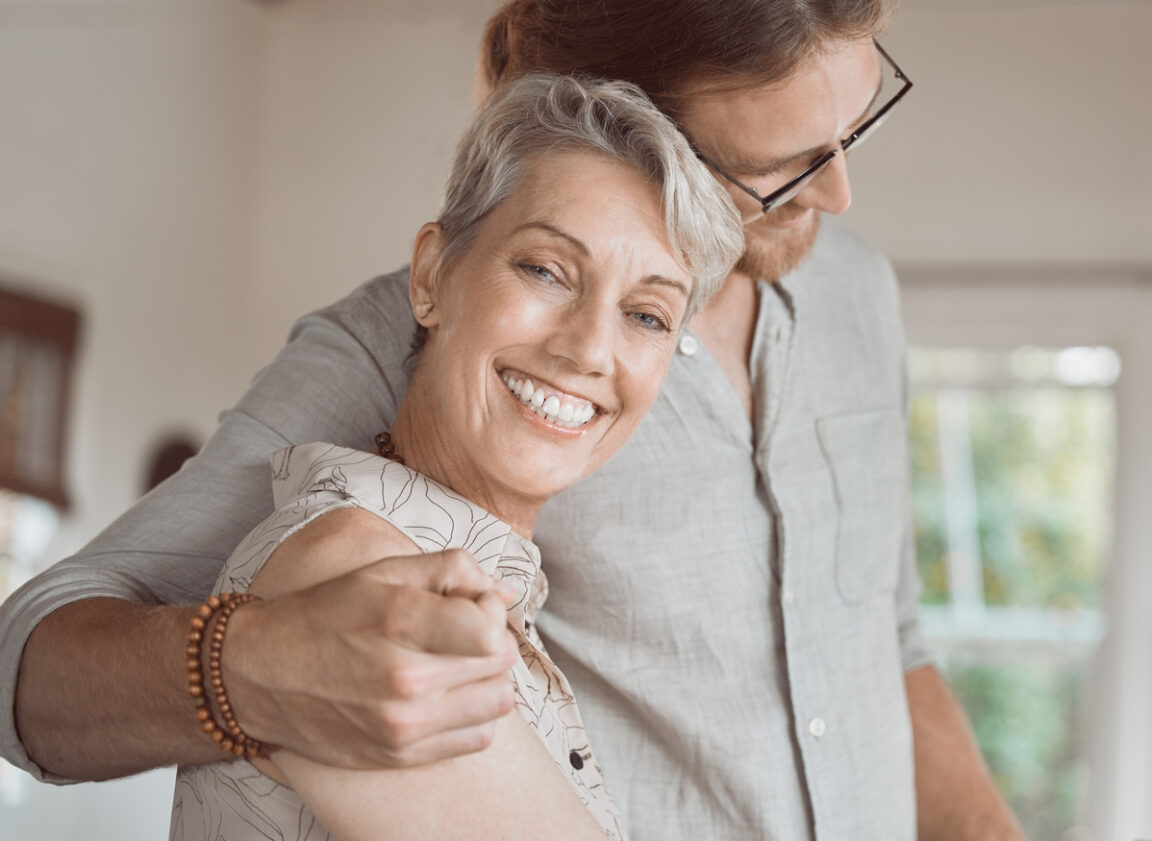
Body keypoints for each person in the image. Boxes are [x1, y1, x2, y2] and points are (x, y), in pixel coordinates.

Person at [0, 1, 1025, 839]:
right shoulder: (417, 347)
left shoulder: (857, 294)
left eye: (853, 126)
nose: (841, 194)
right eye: (788, 168)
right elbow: (29, 669)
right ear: (629, 113)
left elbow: (887, 640)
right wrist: (251, 672)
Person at [169, 72, 742, 841]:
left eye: (646, 314)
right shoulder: (358, 574)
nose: (589, 349)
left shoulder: (469, 578)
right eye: (546, 270)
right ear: (432, 275)